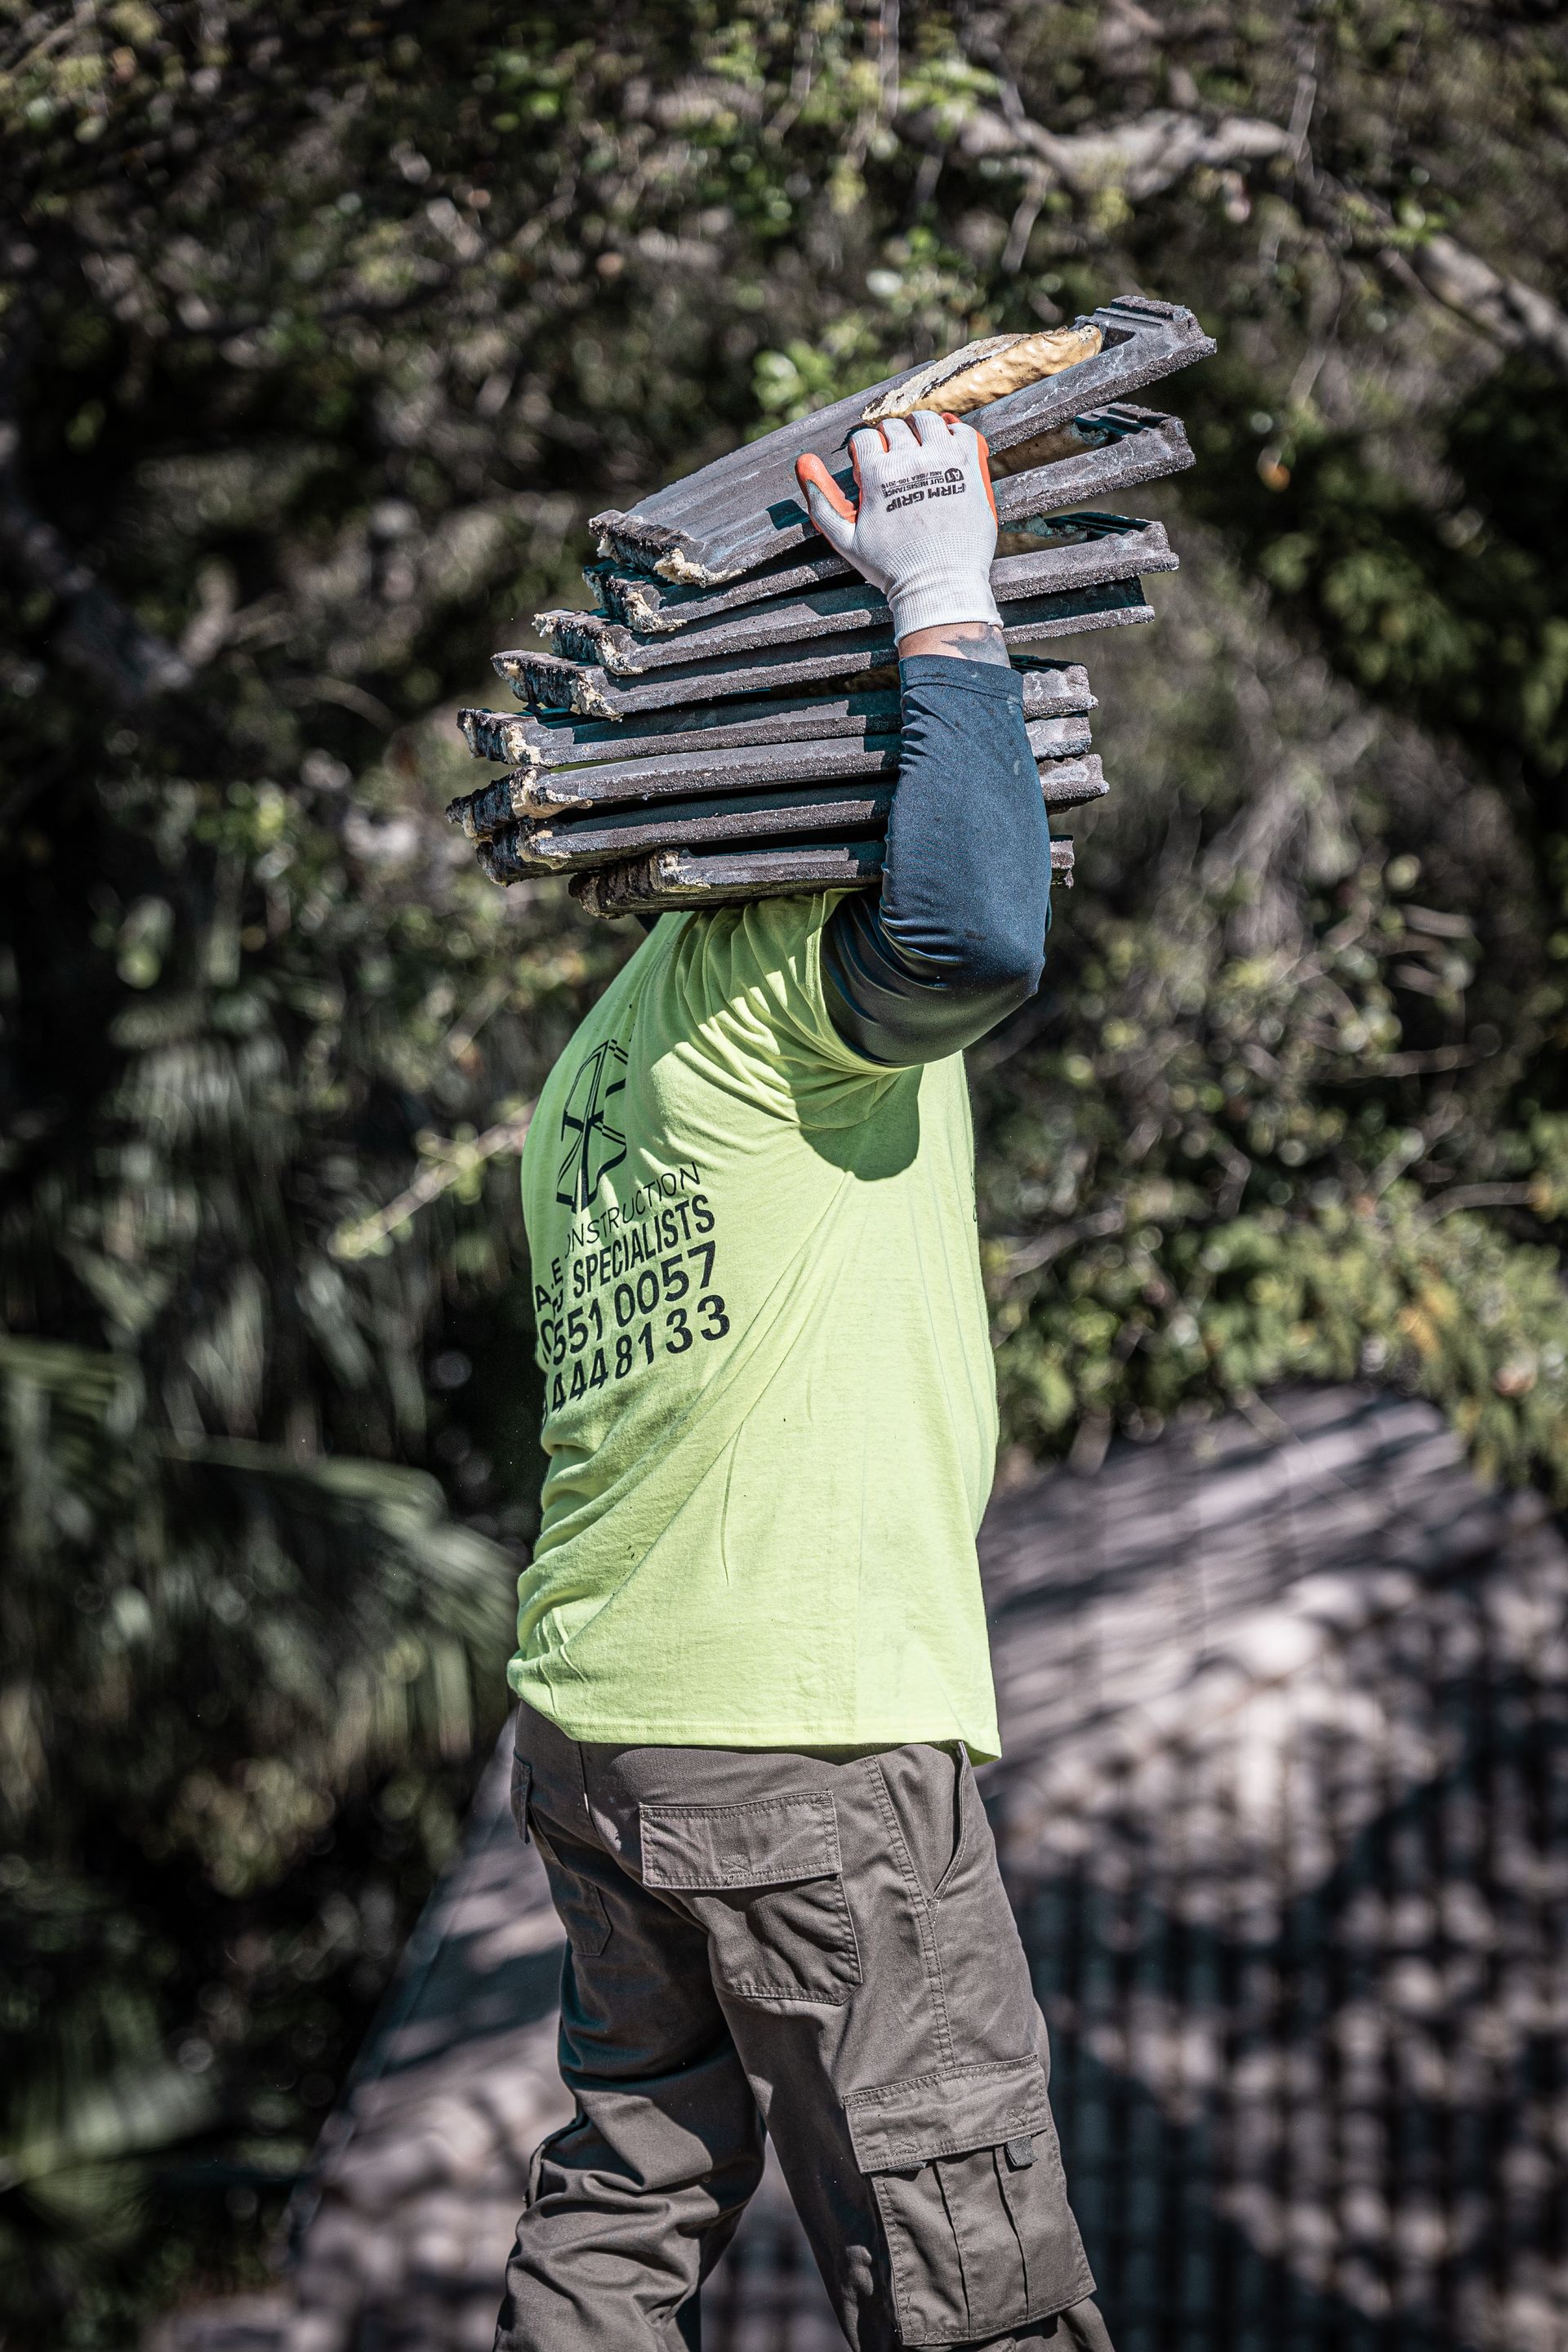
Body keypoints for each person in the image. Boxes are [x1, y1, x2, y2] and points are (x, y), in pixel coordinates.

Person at [495, 410, 1113, 2352]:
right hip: (804, 1737)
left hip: (603, 1725)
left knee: (626, 2196)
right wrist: (944, 606)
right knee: (968, 2264)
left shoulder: (591, 1062)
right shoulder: (779, 972)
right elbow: (967, 927)